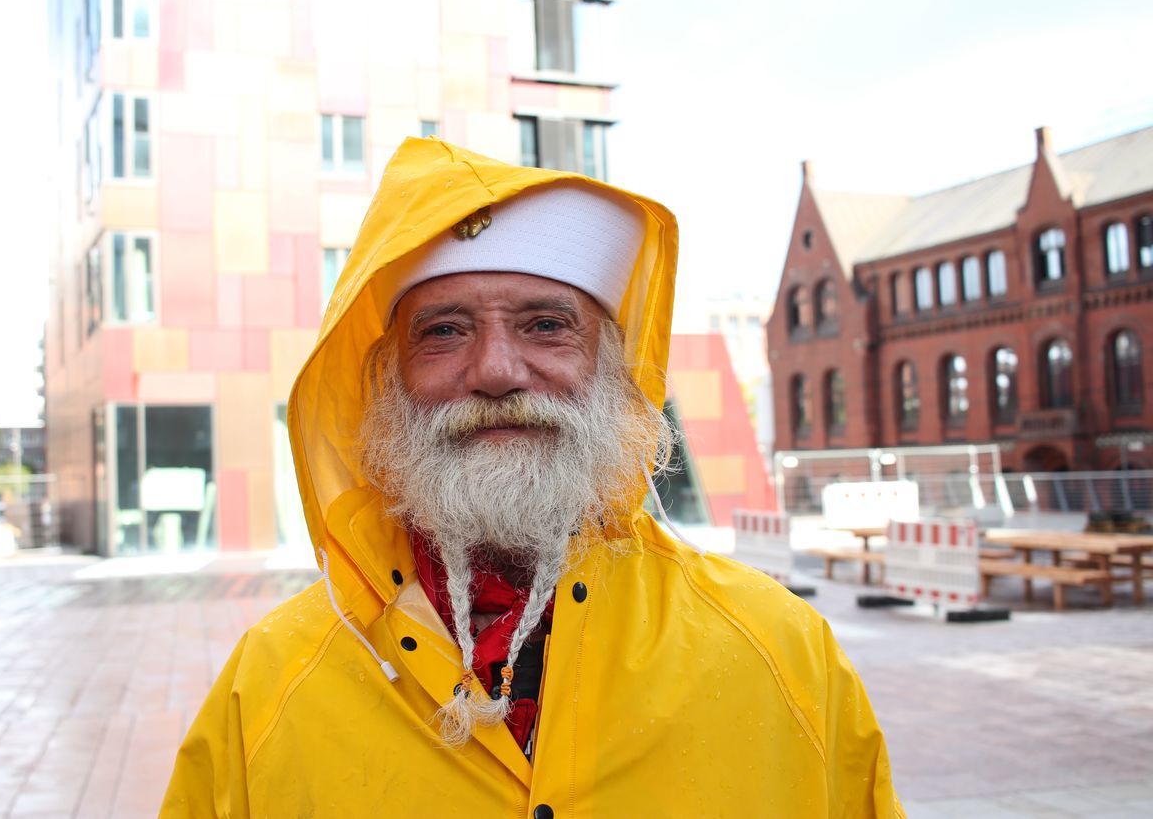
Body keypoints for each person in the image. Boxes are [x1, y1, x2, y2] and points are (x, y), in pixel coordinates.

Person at [162, 139, 904, 817]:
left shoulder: (780, 652)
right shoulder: (269, 684)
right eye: (445, 330)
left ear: (613, 369)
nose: (495, 371)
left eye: (546, 324)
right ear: (386, 381)